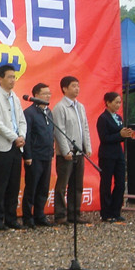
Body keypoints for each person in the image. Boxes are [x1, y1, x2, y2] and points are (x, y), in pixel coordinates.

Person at [0, 64, 27, 230]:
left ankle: (11, 218)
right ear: (0, 79)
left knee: (14, 184)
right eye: (9, 77)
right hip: (2, 147)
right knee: (1, 184)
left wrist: (22, 136)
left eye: (14, 77)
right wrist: (15, 137)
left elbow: (22, 120)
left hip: (17, 146)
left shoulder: (15, 97)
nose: (13, 80)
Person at [52, 76, 92, 225]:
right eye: (73, 86)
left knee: (77, 185)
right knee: (62, 186)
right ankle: (60, 215)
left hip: (79, 152)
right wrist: (65, 151)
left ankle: (74, 213)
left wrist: (87, 147)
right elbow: (59, 131)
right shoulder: (60, 107)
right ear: (64, 88)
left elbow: (85, 128)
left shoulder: (80, 106)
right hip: (66, 154)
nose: (77, 89)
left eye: (78, 86)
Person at [21, 83, 55, 228]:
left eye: (49, 93)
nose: (48, 96)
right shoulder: (29, 113)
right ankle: (27, 217)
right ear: (36, 95)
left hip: (46, 155)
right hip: (34, 156)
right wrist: (27, 155)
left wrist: (52, 151)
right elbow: (27, 136)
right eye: (44, 94)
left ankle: (40, 215)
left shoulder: (49, 112)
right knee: (32, 187)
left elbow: (51, 133)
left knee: (43, 187)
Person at [96, 92, 133, 223]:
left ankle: (116, 211)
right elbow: (104, 138)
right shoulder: (103, 118)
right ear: (108, 102)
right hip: (107, 155)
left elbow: (120, 135)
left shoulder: (118, 117)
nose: (118, 105)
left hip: (118, 154)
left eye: (119, 102)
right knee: (106, 183)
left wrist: (126, 134)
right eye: (116, 102)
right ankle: (106, 213)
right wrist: (119, 135)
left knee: (120, 183)